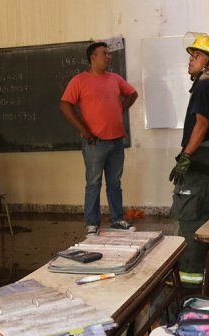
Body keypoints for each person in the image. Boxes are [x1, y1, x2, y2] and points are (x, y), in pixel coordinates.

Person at [168, 34, 209, 289]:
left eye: (196, 56)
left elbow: (202, 124)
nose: (190, 60)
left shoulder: (204, 87)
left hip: (202, 158)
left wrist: (186, 156)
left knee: (191, 213)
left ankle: (190, 274)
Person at [60, 41, 138, 235]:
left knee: (115, 183)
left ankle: (117, 219)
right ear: (92, 57)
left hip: (117, 140)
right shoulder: (79, 80)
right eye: (105, 53)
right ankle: (92, 223)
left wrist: (120, 108)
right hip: (94, 142)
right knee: (94, 183)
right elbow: (65, 105)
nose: (109, 56)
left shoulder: (115, 78)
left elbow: (132, 93)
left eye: (109, 53)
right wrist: (83, 129)